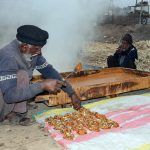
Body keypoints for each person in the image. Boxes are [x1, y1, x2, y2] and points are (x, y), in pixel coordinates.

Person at [0, 25, 81, 125]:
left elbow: (49, 71)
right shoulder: (9, 57)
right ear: (24, 47)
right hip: (3, 99)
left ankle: (20, 105)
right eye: (37, 48)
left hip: (9, 94)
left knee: (26, 76)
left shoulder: (31, 52)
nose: (39, 52)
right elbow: (9, 96)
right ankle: (12, 113)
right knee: (22, 75)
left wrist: (71, 93)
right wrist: (42, 85)